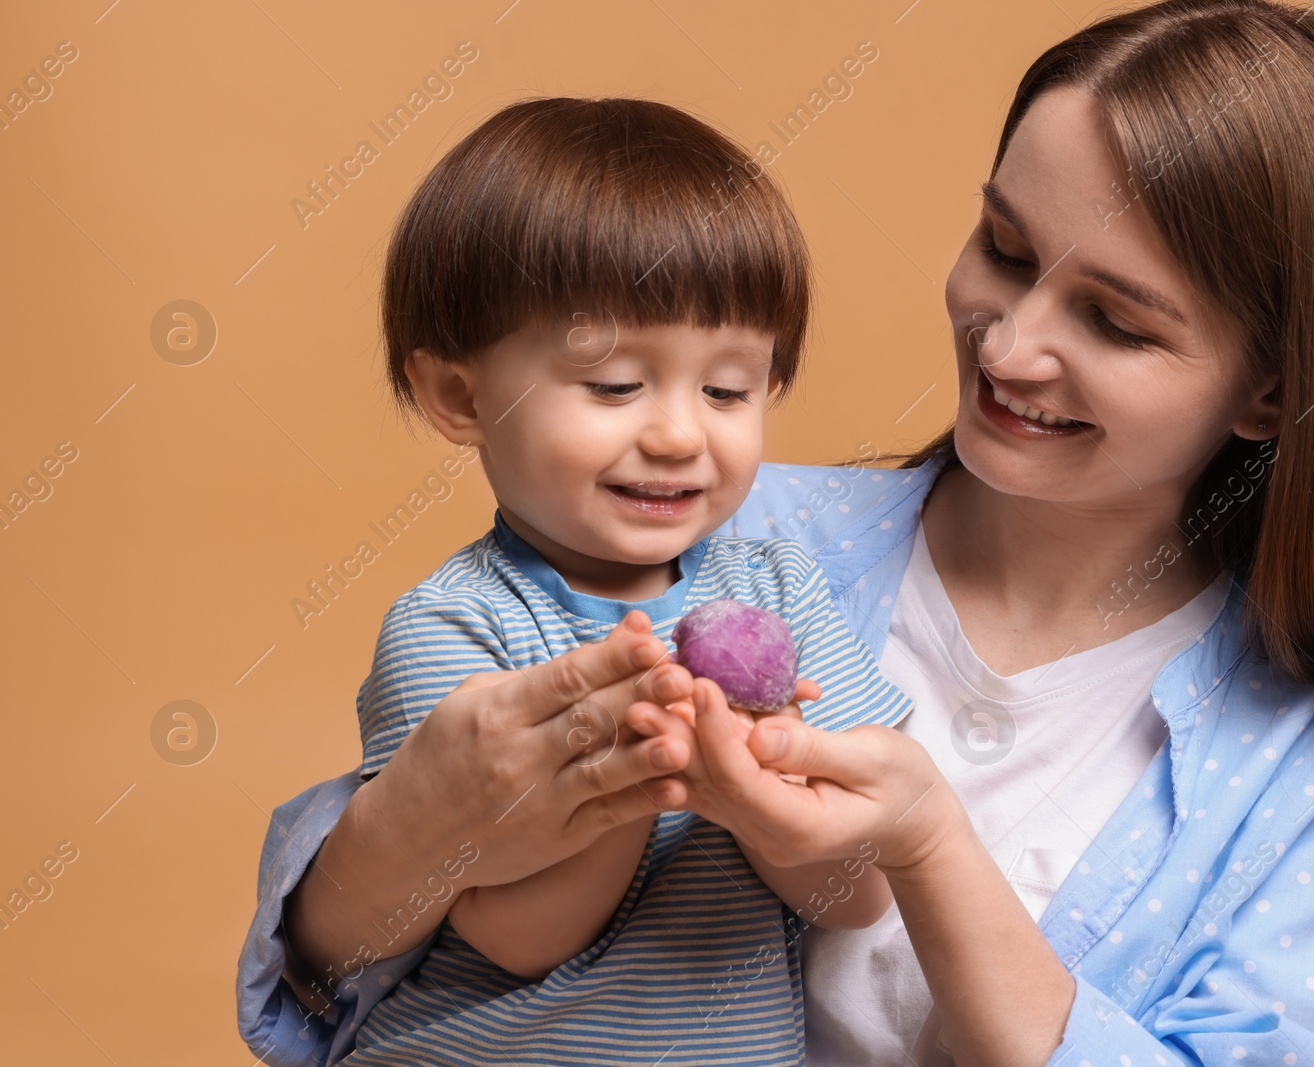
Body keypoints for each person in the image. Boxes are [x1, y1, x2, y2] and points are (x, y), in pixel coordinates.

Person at [238, 2, 1314, 1065]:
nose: (1009, 347)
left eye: (1117, 323)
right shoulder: (710, 540)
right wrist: (399, 841)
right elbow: (332, 979)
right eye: (1004, 249)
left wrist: (926, 840)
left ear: (1273, 389)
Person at [252, 96, 919, 1066]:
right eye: (614, 386)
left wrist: (745, 777)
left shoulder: (781, 592)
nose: (680, 433)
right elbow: (519, 934)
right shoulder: (457, 624)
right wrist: (644, 768)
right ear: (460, 394)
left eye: (728, 388)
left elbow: (853, 892)